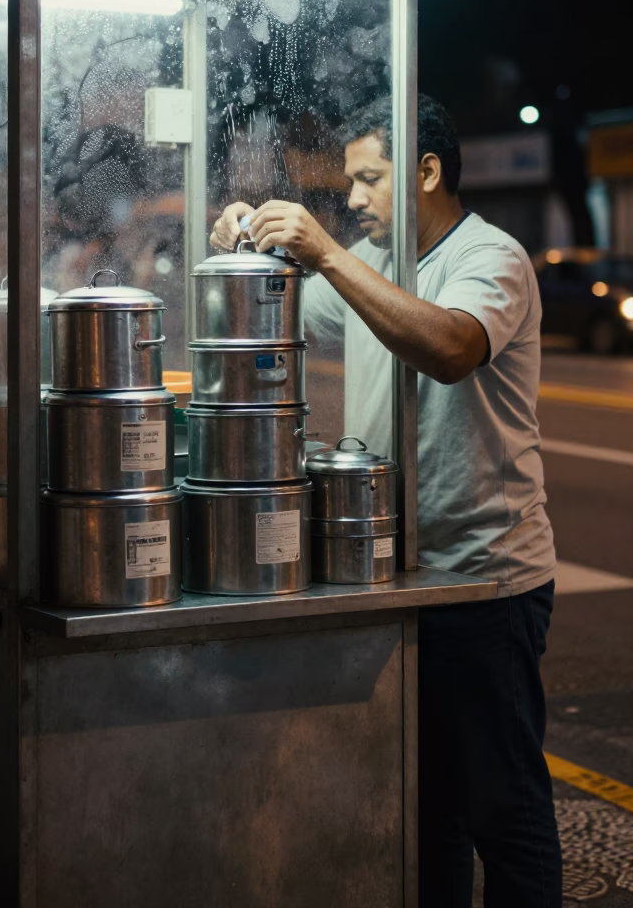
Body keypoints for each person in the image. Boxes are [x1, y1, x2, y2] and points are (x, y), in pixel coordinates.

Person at [211, 93, 561, 908]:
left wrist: (328, 251)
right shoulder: (378, 265)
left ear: (428, 170)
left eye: (369, 179)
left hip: (486, 581)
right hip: (403, 578)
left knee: (502, 811)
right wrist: (246, 245)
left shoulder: (491, 256)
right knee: (425, 808)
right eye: (350, 184)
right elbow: (292, 302)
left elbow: (448, 346)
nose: (354, 198)